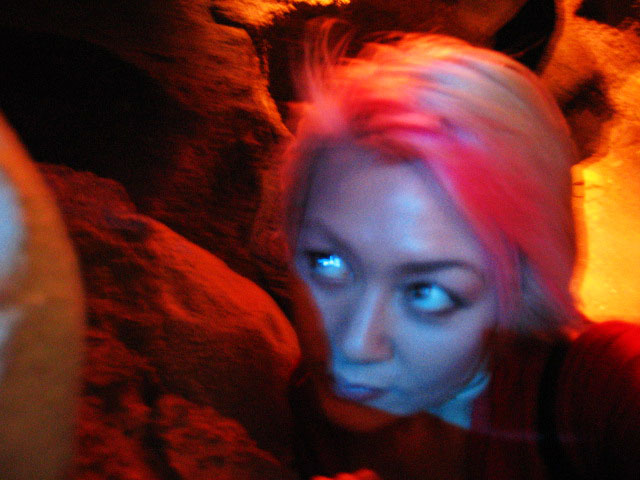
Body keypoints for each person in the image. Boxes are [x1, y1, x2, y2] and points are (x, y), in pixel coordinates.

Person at [279, 24, 640, 480]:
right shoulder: (310, 405)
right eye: (329, 264)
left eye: (427, 292)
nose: (354, 345)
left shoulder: (600, 393)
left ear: (517, 296)